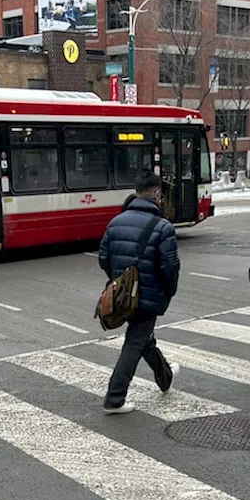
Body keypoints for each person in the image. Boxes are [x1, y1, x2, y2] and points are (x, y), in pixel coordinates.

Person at [99, 173, 181, 414]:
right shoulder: (163, 227)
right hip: (148, 296)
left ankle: (164, 376)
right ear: (156, 194)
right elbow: (169, 267)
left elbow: (104, 257)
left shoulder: (116, 222)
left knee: (143, 337)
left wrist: (119, 281)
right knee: (136, 341)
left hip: (123, 294)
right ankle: (115, 398)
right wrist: (167, 293)